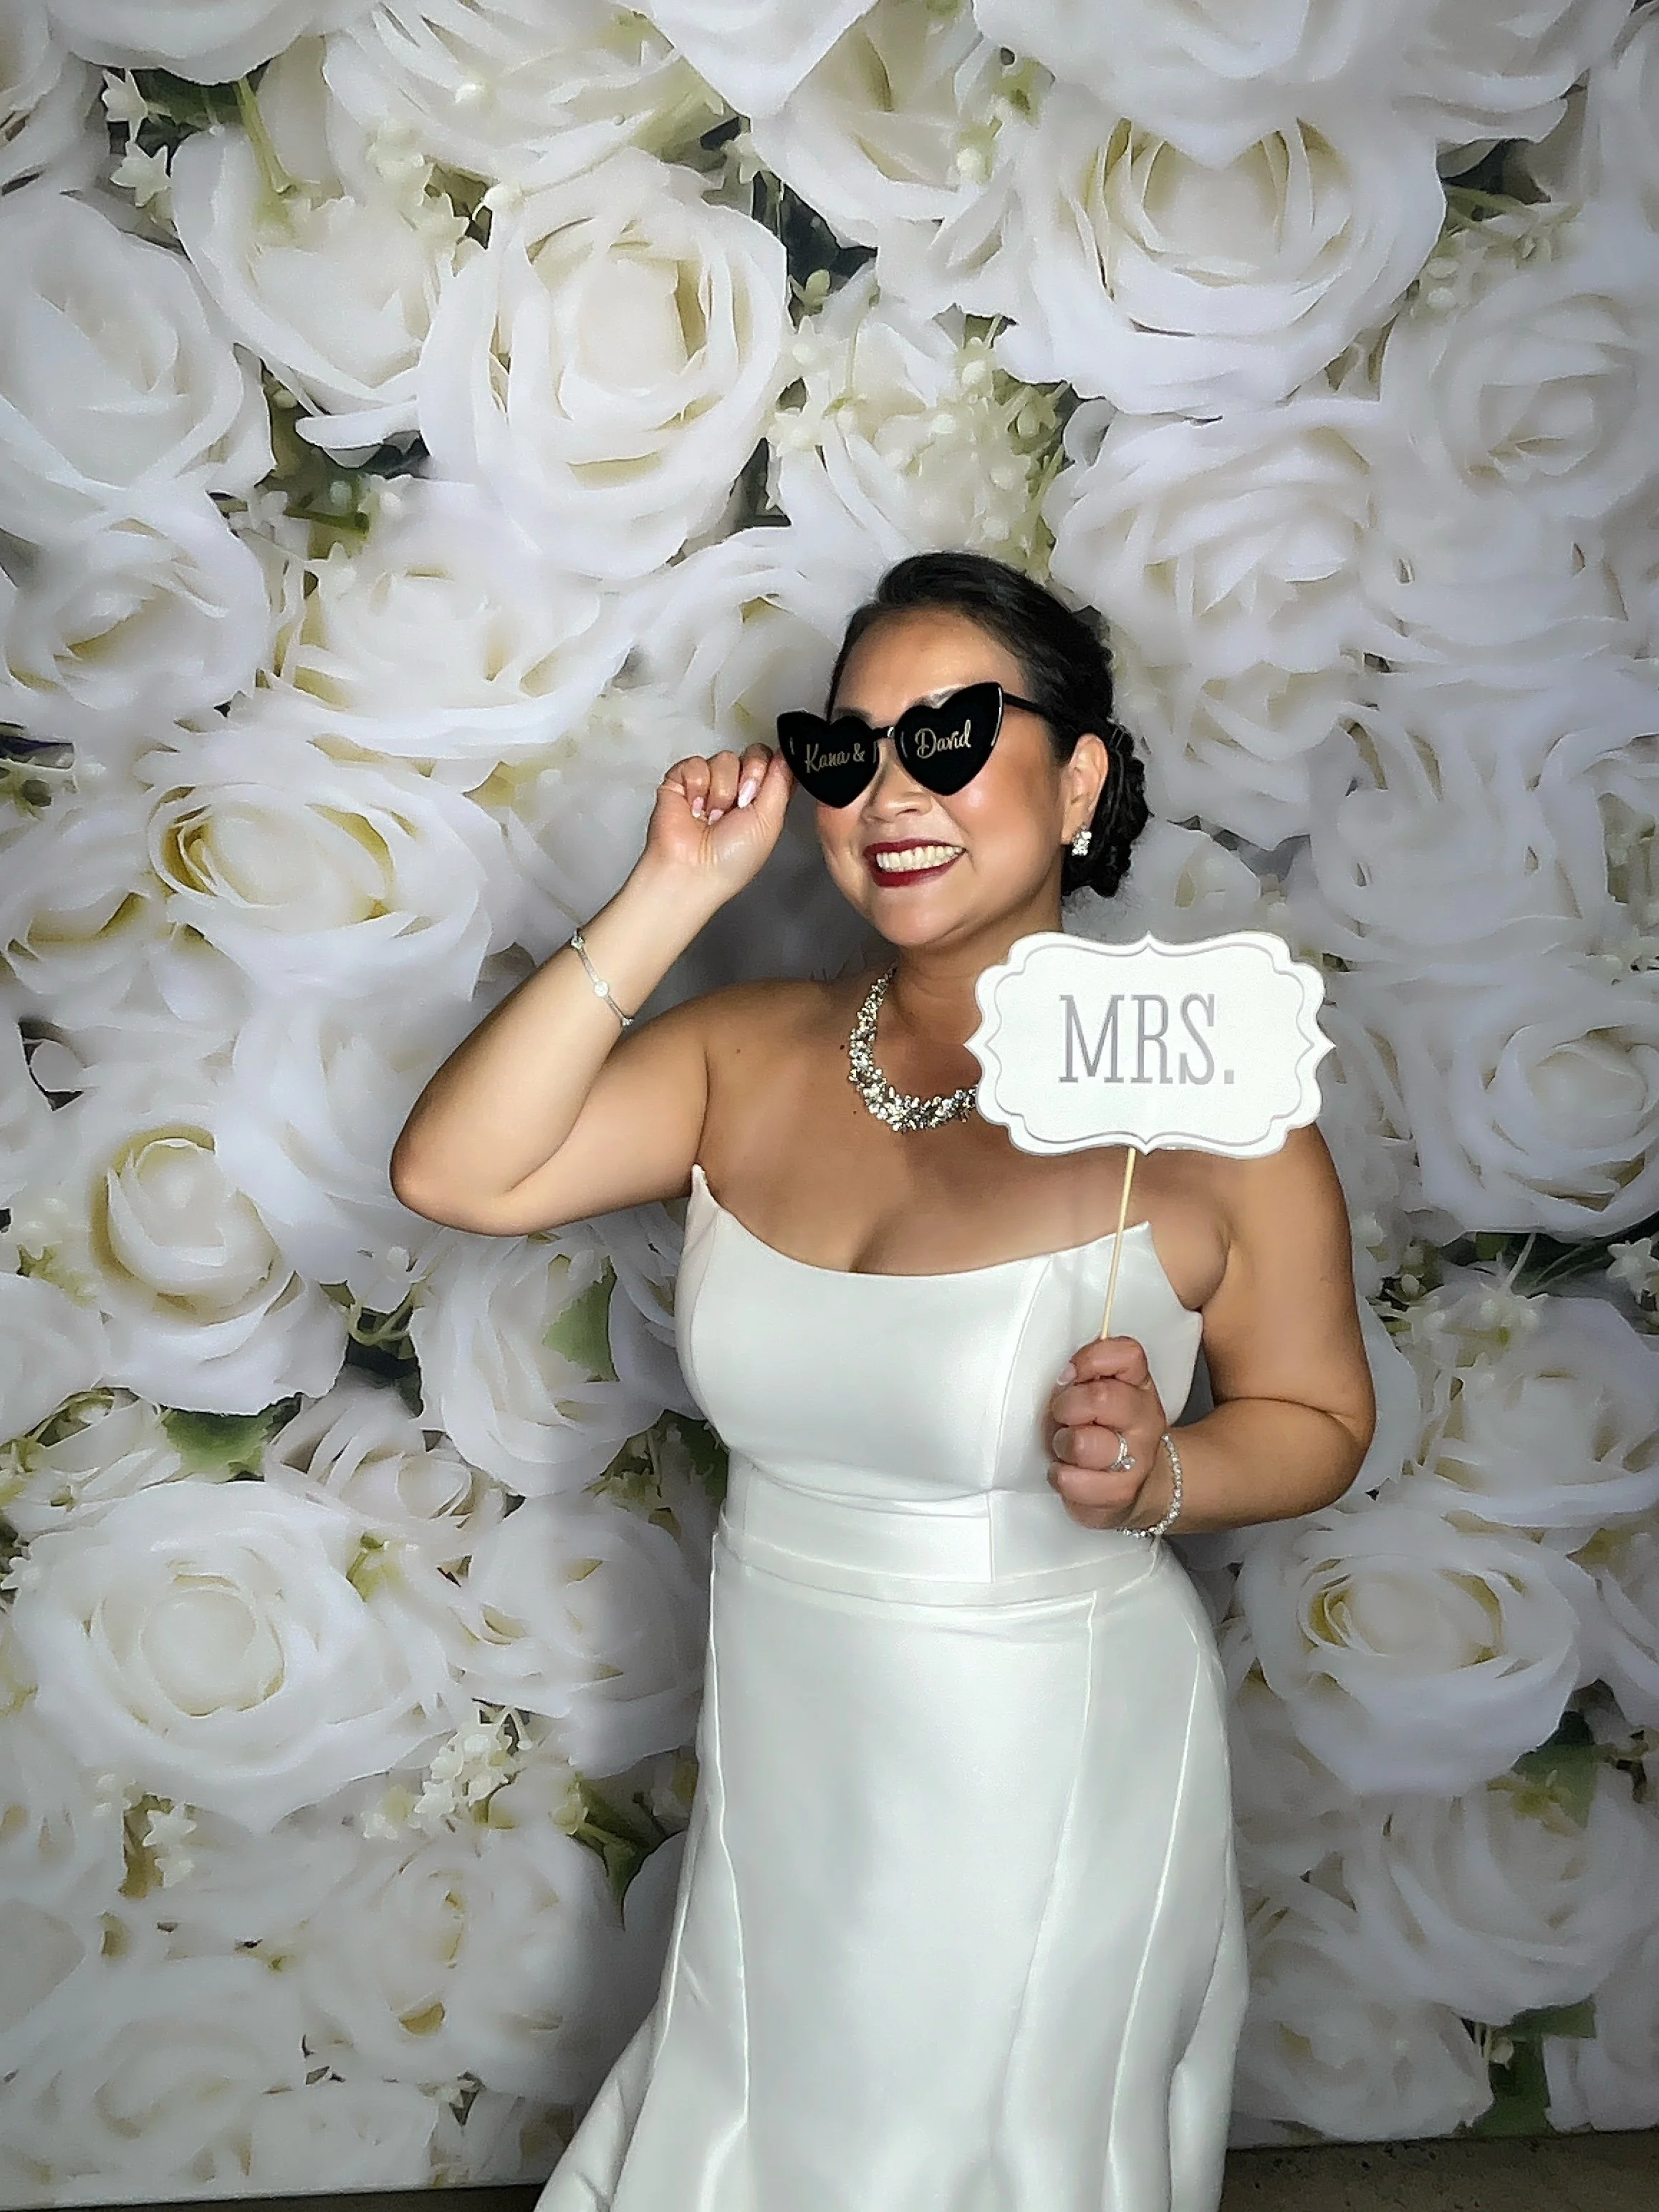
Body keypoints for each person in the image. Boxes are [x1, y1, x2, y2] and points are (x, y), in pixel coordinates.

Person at [390, 551, 1377, 2212]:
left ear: (1076, 777)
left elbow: (1326, 1417)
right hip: (791, 1727)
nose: (888, 793)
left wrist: (1165, 1476)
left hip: (1048, 1751)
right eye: (849, 752)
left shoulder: (1220, 1105)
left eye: (950, 736)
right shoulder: (748, 1050)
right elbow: (457, 1172)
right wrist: (675, 888)